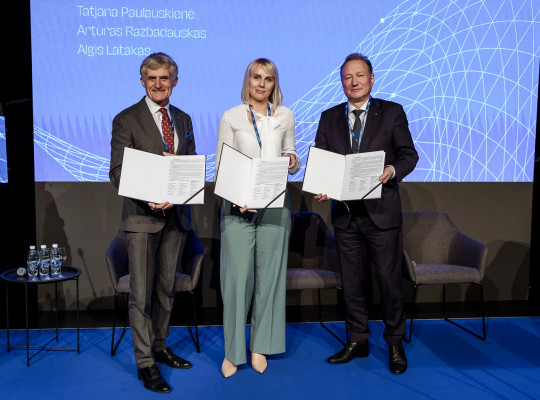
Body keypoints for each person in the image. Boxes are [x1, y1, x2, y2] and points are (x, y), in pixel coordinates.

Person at [314, 53, 418, 375]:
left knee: (389, 282)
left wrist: (392, 170)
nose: (354, 82)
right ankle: (357, 340)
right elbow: (322, 160)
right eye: (347, 77)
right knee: (352, 283)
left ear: (372, 79)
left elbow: (409, 155)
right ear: (341, 82)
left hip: (382, 214)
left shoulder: (392, 112)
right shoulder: (329, 117)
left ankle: (395, 342)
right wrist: (322, 184)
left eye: (360, 76)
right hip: (346, 216)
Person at [109, 52, 196, 393]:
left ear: (175, 81)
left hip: (175, 216)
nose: (158, 84)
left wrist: (177, 190)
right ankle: (145, 363)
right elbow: (117, 172)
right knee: (141, 296)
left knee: (165, 291)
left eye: (164, 78)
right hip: (142, 218)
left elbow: (190, 165)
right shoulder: (126, 119)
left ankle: (159, 346)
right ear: (142, 81)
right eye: (152, 78)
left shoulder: (184, 119)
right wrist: (149, 195)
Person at [215, 58, 300, 378]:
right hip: (238, 206)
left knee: (270, 281)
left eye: (268, 79)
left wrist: (292, 160)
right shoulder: (231, 116)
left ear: (274, 83)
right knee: (237, 281)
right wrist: (238, 197)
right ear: (247, 81)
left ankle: (260, 346)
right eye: (256, 77)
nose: (262, 84)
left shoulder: (285, 115)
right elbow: (222, 164)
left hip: (275, 205)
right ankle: (233, 351)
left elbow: (292, 157)